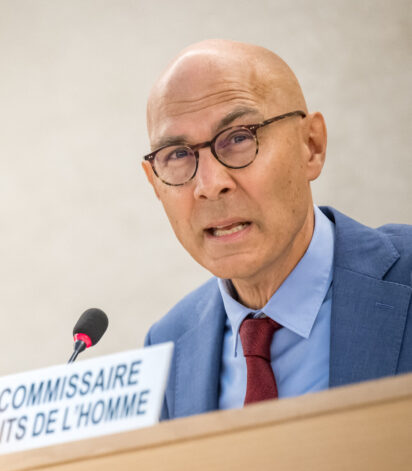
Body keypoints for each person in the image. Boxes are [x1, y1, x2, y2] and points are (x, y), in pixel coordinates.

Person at [142, 40, 412, 421]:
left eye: (238, 138)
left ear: (311, 146)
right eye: (178, 155)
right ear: (155, 183)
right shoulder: (167, 345)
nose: (209, 184)